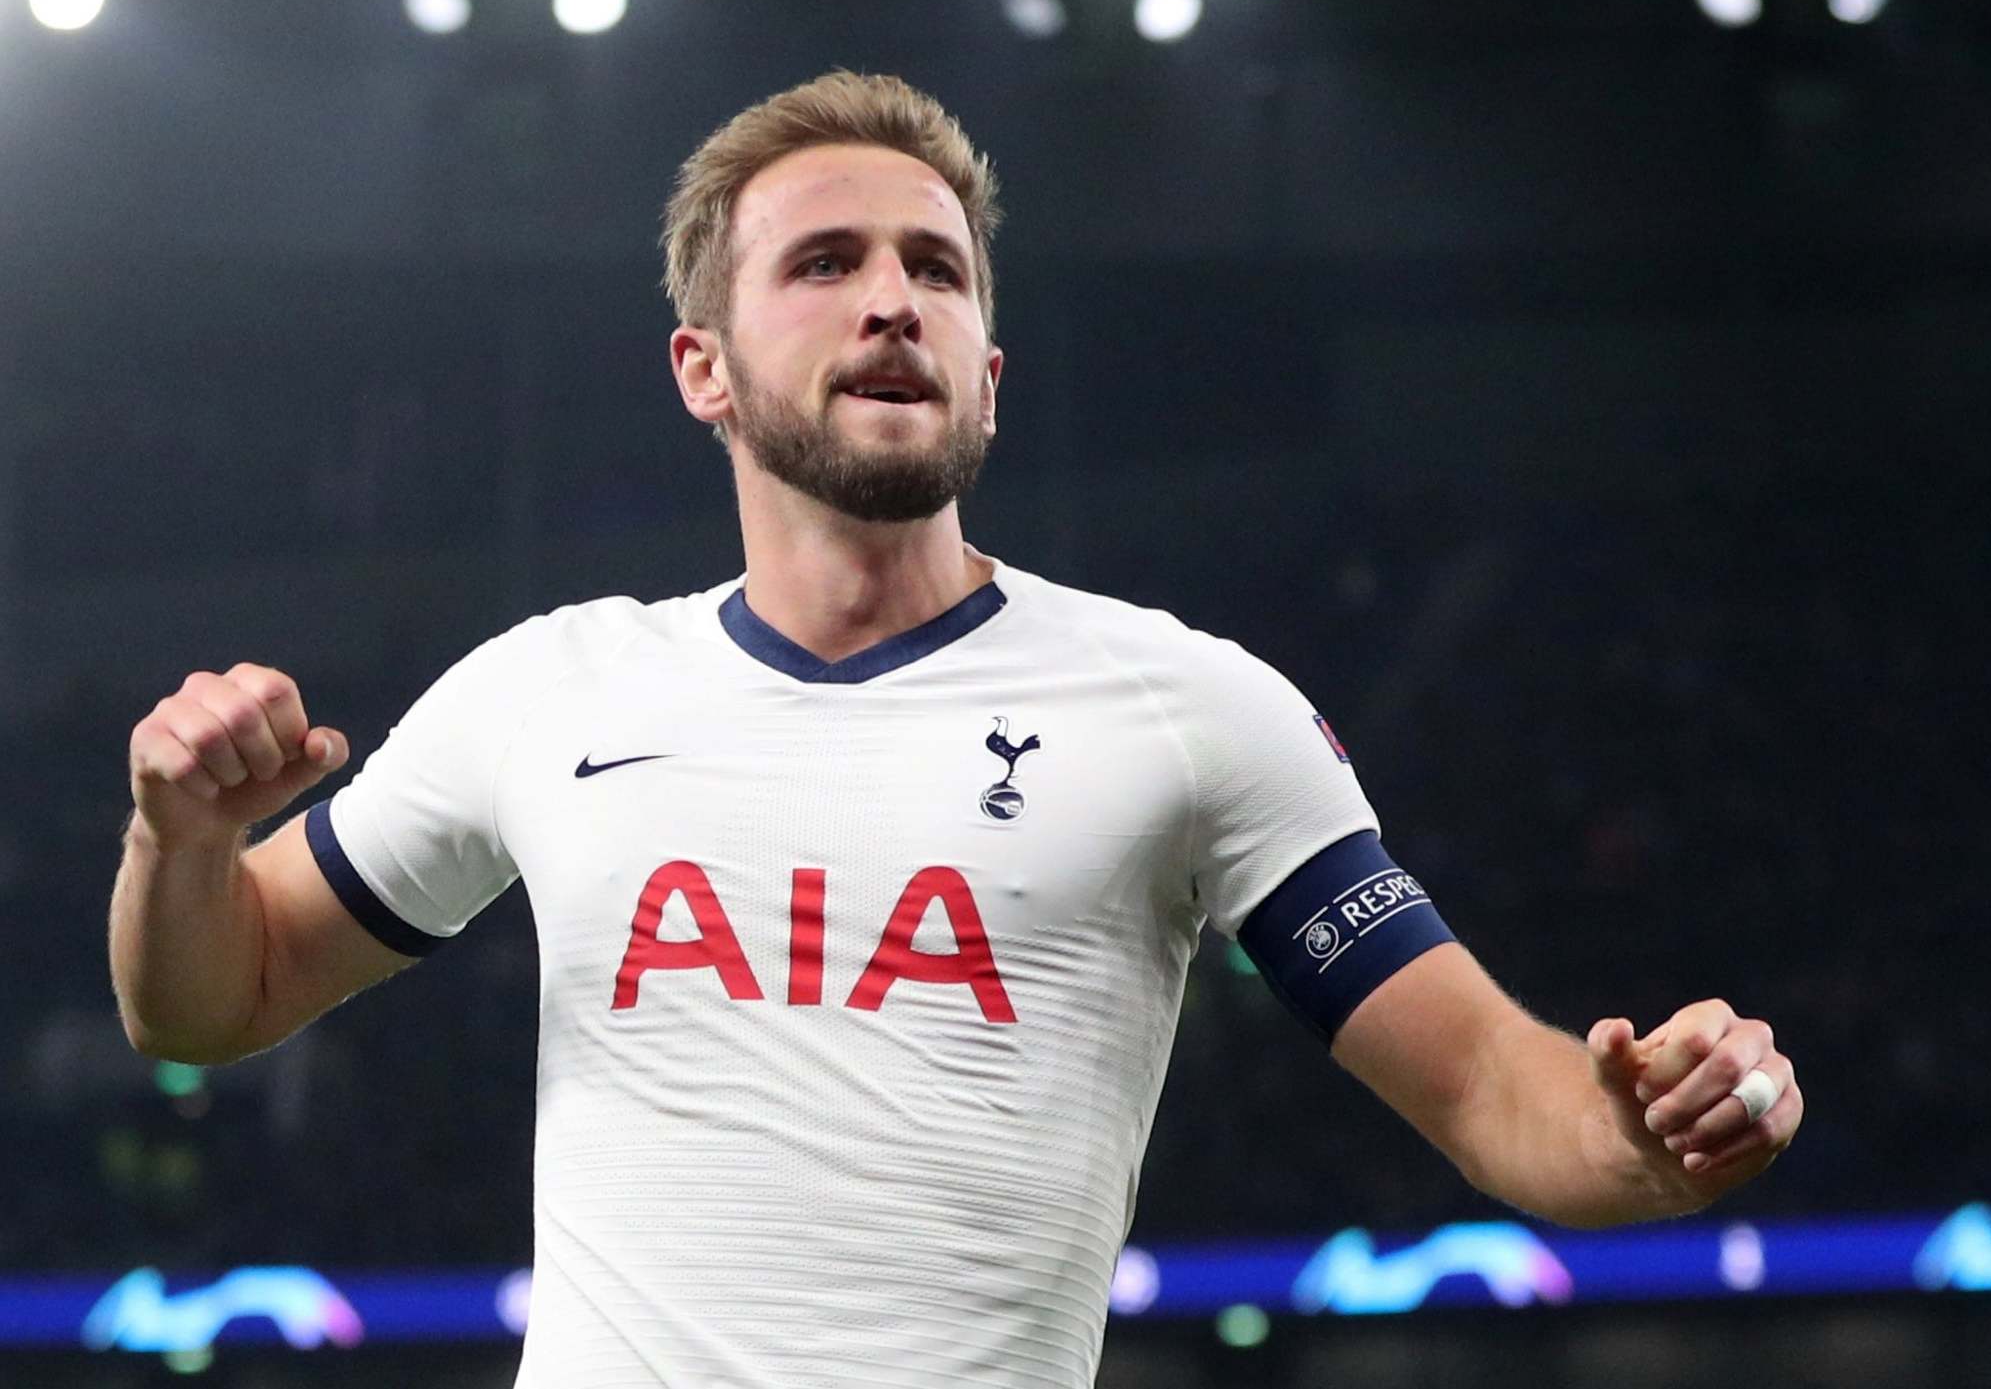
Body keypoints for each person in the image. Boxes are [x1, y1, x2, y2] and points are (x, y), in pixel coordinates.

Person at [109, 69, 1803, 1387]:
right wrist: (176, 845)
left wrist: (1654, 1129)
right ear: (702, 367)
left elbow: (1504, 1096)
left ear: (990, 367)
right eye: (826, 262)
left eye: (938, 269)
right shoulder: (550, 688)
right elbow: (211, 994)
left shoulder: (1187, 706)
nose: (893, 300)